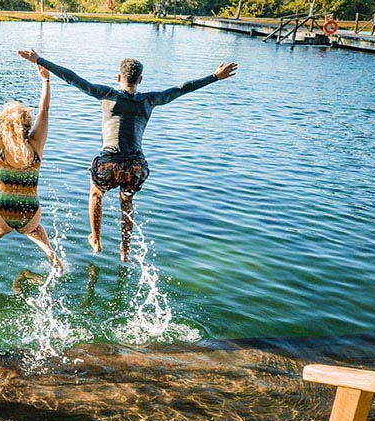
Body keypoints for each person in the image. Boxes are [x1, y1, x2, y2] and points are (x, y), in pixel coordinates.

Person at [18, 49, 238, 262]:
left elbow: (73, 78)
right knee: (127, 201)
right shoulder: (150, 100)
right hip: (135, 167)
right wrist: (214, 77)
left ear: (119, 77)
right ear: (140, 79)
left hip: (109, 164)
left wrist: (40, 60)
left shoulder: (107, 95)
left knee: (96, 195)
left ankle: (96, 239)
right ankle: (125, 249)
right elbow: (182, 88)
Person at [0, 65, 64, 287]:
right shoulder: (36, 145)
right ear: (27, 125)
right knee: (35, 229)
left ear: (3, 125)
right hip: (30, 209)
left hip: (2, 209)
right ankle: (50, 253)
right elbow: (44, 111)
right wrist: (46, 81)